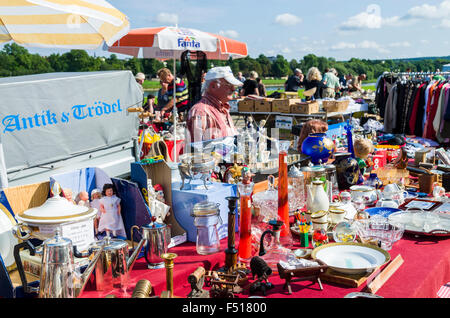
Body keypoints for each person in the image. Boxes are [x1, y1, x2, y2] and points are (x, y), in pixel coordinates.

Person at [187, 66, 242, 142]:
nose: (233, 89)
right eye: (228, 85)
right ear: (213, 86)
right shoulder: (202, 112)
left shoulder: (222, 108)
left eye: (233, 86)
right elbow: (198, 149)